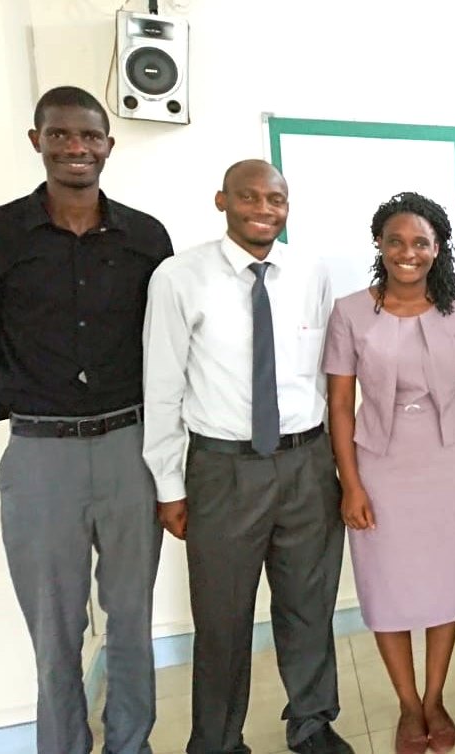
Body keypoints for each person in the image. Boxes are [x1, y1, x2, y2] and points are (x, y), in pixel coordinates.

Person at [0, 86, 171, 754]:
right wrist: (15, 399)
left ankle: (129, 743)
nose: (76, 148)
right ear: (38, 142)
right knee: (54, 630)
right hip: (40, 454)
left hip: (128, 446)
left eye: (89, 136)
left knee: (131, 619)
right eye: (60, 135)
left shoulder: (145, 236)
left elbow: (164, 341)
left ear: (109, 145)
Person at [143, 160, 352, 754]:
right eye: (249, 197)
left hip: (307, 465)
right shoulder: (178, 277)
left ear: (288, 206)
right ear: (222, 201)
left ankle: (311, 724)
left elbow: (324, 379)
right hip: (222, 470)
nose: (264, 208)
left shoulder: (311, 273)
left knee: (308, 608)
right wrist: (168, 485)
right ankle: (215, 739)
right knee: (222, 620)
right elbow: (161, 386)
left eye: (276, 199)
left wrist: (336, 467)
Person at [323, 191, 455, 754]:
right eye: (396, 240)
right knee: (387, 587)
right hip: (378, 467)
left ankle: (437, 696)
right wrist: (351, 484)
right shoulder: (350, 312)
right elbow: (339, 405)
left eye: (421, 242)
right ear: (379, 243)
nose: (408, 252)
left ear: (438, 247)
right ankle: (407, 703)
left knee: (446, 583)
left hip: (450, 465)